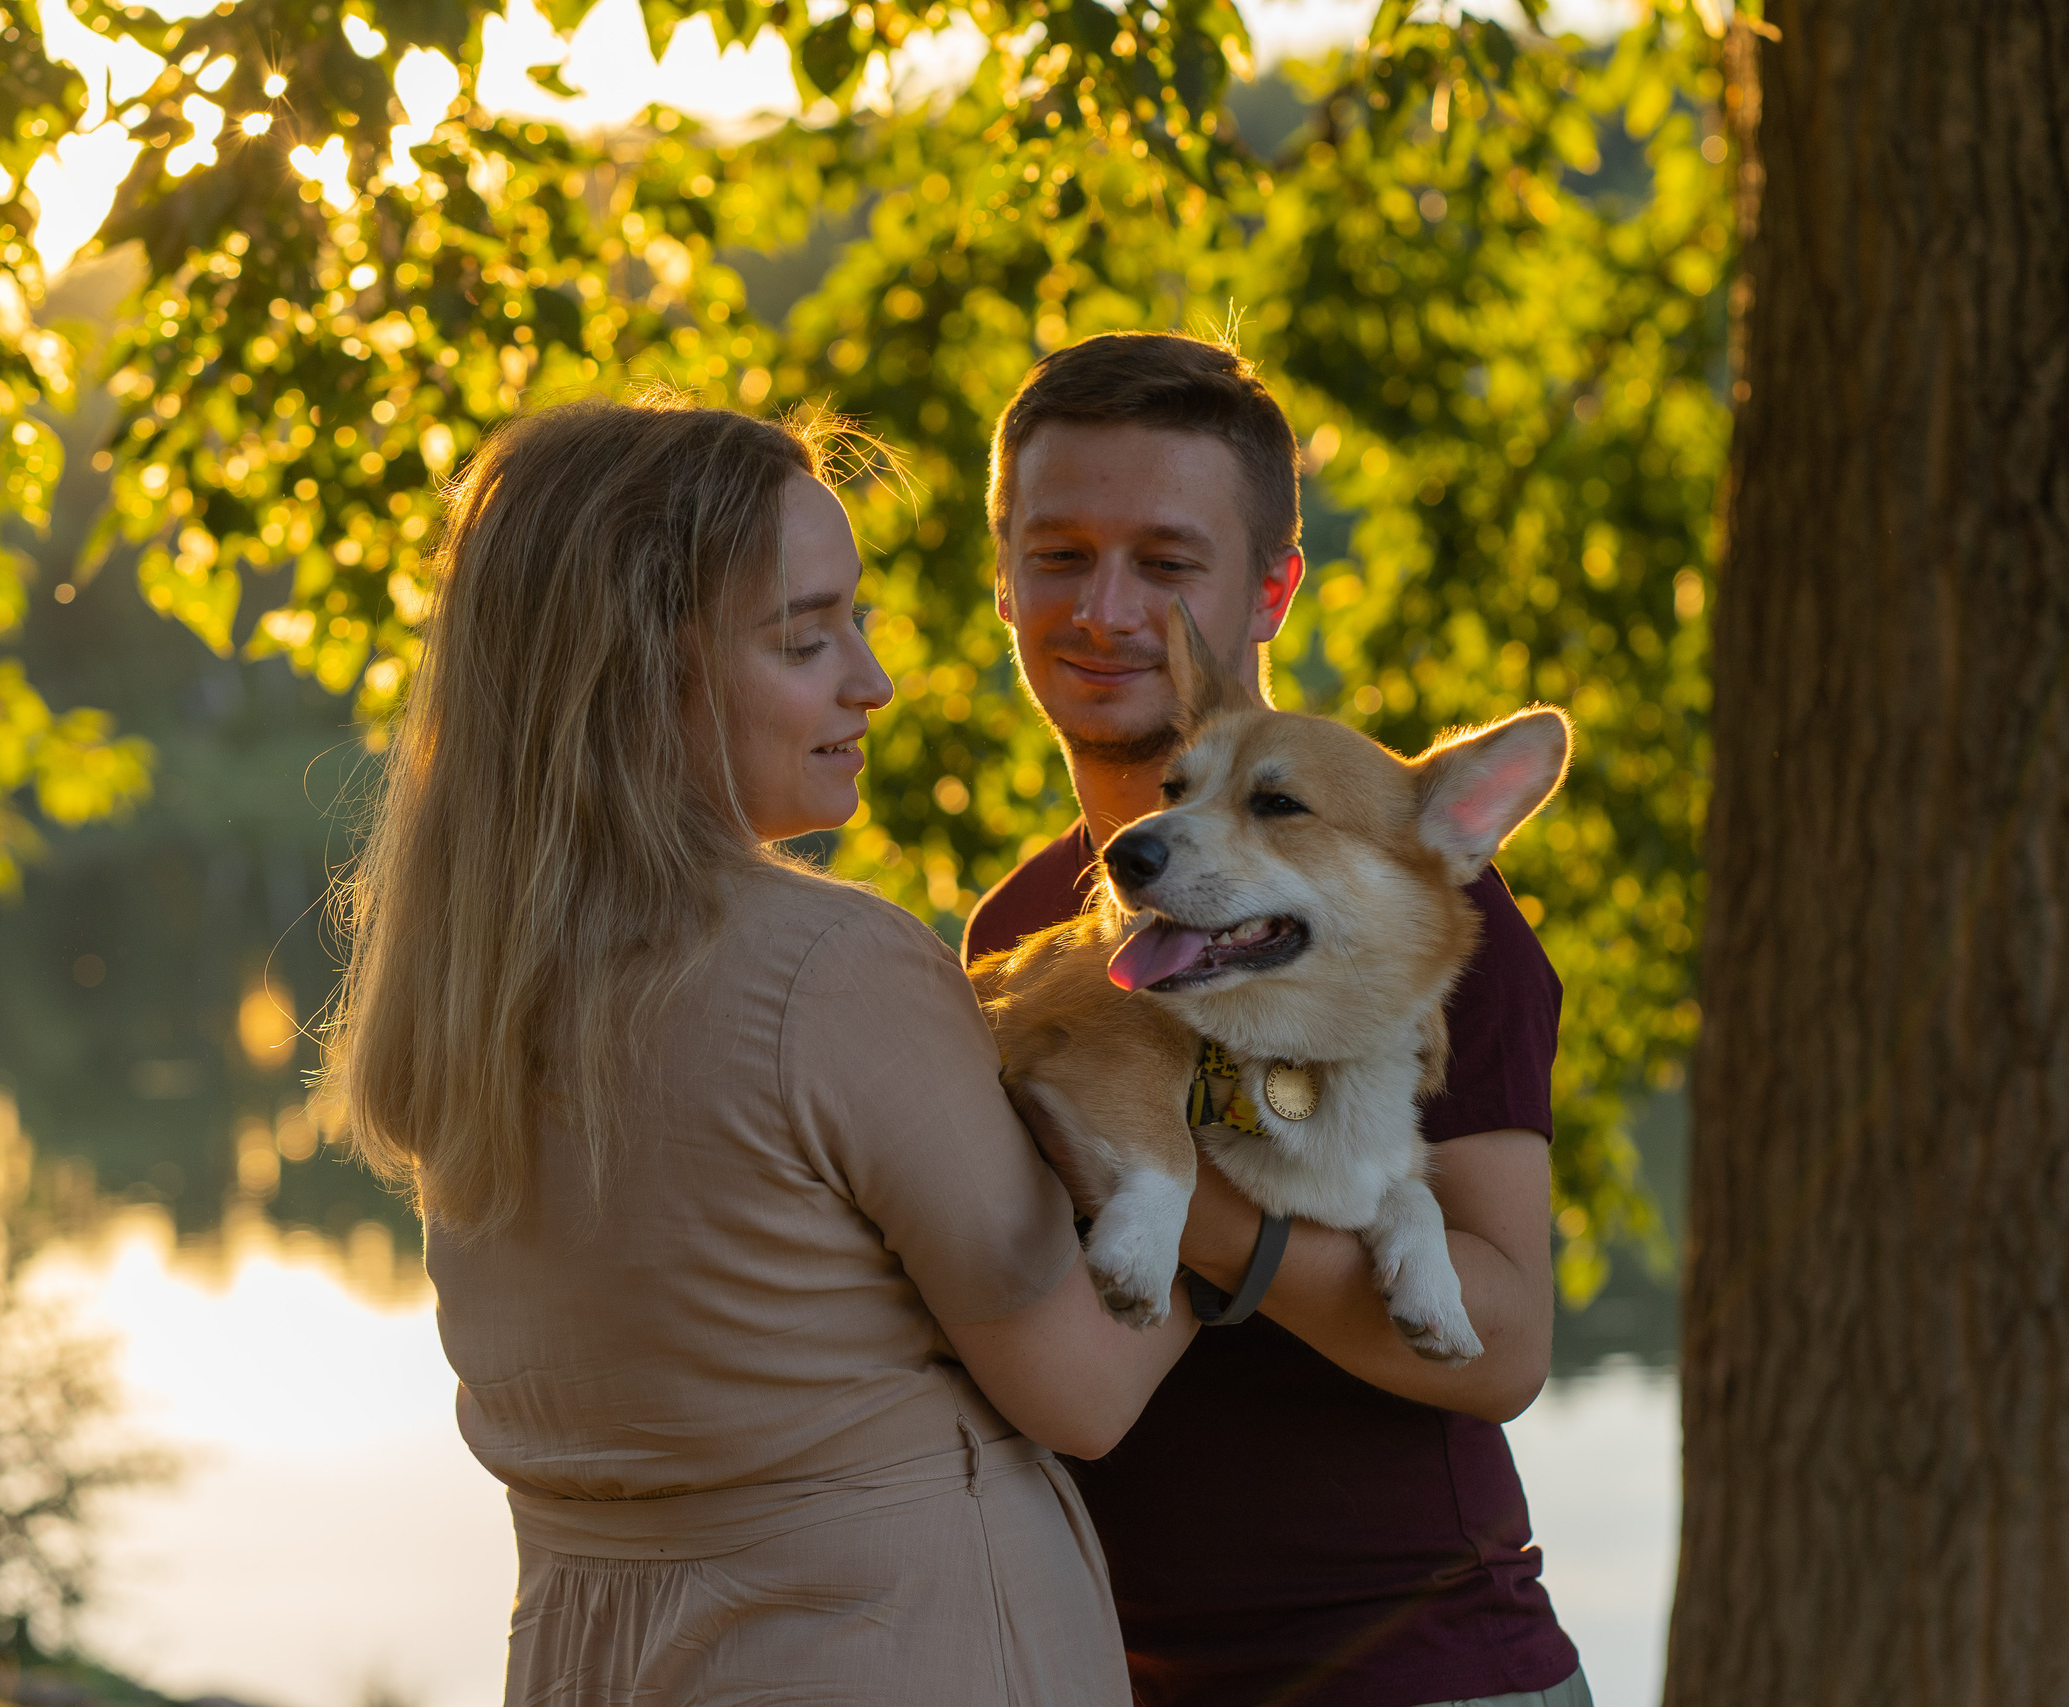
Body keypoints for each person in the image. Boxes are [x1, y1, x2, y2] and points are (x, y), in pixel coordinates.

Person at [330, 397, 1196, 1706]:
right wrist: (1243, 1133)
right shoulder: (828, 969)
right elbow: (1083, 1384)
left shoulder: (469, 985)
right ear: (636, 673)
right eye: (806, 637)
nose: (871, 678)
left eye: (857, 620)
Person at [962, 334, 1591, 1707]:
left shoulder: (1409, 927)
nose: (1108, 610)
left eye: (1168, 565)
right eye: (1058, 554)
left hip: (1415, 1670)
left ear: (1269, 592)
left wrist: (1172, 1187)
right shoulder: (1017, 932)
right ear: (1000, 573)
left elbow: (1508, 1348)